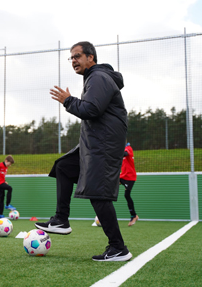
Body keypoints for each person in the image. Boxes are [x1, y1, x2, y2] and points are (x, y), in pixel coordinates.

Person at [35, 41, 132, 262]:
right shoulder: (95, 78)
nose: (73, 61)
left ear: (91, 58)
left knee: (98, 195)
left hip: (103, 146)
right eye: (71, 58)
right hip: (93, 144)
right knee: (64, 167)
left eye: (77, 56)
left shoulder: (98, 78)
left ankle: (118, 248)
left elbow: (92, 109)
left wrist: (68, 101)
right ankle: (61, 220)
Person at [120, 142, 138, 226]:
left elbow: (125, 154)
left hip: (130, 177)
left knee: (127, 195)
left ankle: (134, 216)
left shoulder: (128, 148)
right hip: (123, 176)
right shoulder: (121, 148)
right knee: (110, 186)